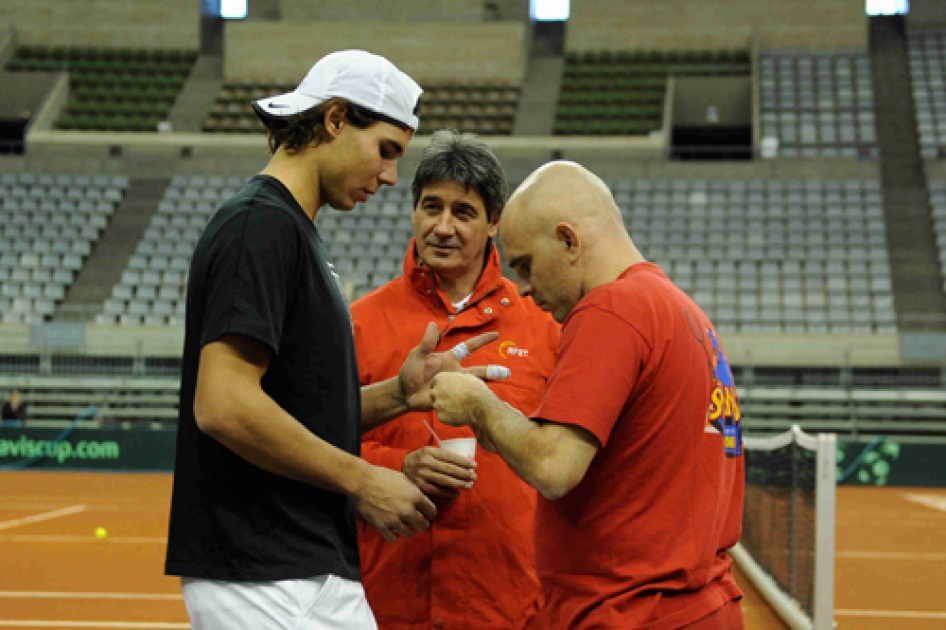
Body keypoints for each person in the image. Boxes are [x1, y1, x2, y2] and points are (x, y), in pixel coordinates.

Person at [164, 51, 507, 630]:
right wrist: (364, 478)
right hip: (263, 569)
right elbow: (222, 403)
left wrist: (400, 394)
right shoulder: (260, 226)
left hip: (302, 567)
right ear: (336, 119)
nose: (392, 176)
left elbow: (300, 409)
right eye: (387, 151)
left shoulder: (294, 233)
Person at [430, 161, 746, 629]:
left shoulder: (611, 307)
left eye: (526, 264)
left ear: (569, 241)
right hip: (695, 605)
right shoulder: (684, 313)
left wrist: (477, 403)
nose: (525, 287)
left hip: (632, 611)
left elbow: (553, 466)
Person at [351, 130, 560, 629]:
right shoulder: (360, 322)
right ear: (413, 212)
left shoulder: (545, 325)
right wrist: (396, 465)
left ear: (494, 222)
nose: (443, 227)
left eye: (463, 213)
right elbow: (316, 441)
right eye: (431, 207)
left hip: (511, 606)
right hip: (387, 602)